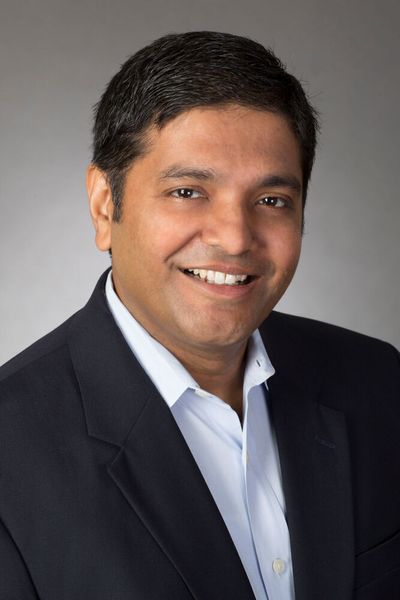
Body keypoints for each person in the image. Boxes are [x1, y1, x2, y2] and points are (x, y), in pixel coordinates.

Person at [0, 31, 399, 600]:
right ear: (105, 206)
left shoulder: (376, 381)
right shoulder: (11, 453)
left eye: (272, 201)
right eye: (188, 191)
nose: (235, 238)